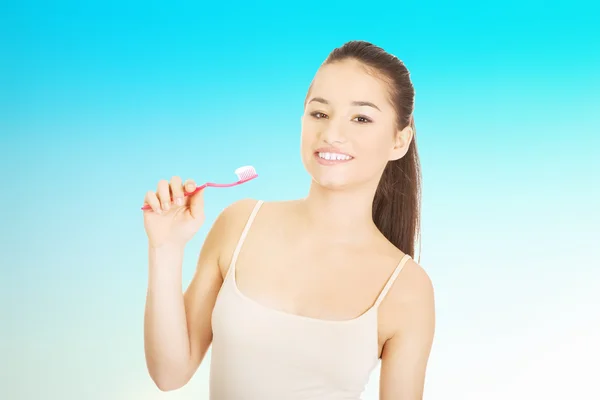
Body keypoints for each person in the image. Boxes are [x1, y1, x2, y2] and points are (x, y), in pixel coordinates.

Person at [142, 40, 435, 400]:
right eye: (319, 113)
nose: (331, 134)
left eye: (361, 118)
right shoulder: (240, 224)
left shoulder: (407, 288)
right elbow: (170, 373)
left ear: (399, 141)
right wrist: (165, 248)